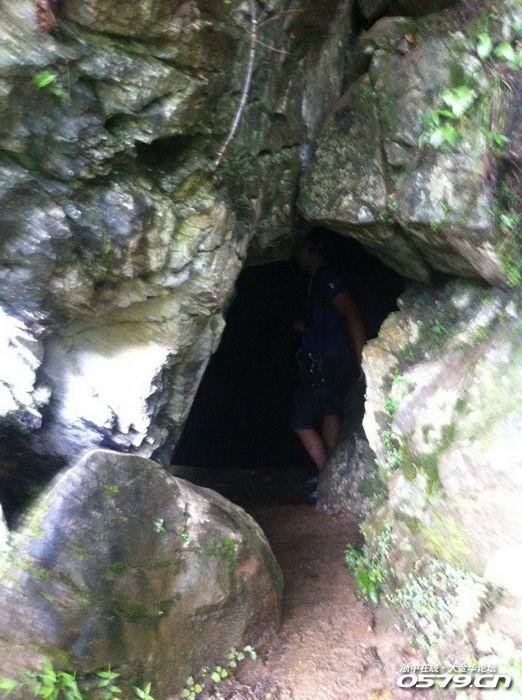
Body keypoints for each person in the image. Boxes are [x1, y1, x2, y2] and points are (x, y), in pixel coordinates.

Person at [292, 232, 366, 474]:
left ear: (310, 250)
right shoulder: (318, 280)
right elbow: (330, 320)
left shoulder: (326, 278)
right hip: (332, 361)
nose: (296, 255)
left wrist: (363, 360)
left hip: (326, 362)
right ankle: (334, 478)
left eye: (299, 249)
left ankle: (326, 474)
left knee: (301, 421)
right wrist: (308, 328)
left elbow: (351, 314)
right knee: (330, 413)